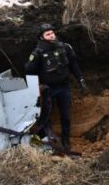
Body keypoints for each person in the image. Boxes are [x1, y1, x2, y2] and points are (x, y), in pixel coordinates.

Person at [25, 23, 87, 152]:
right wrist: (35, 90)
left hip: (64, 88)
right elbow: (29, 72)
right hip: (48, 89)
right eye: (48, 34)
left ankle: (65, 140)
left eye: (52, 32)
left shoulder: (65, 48)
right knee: (44, 116)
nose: (52, 35)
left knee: (66, 116)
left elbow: (74, 65)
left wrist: (81, 80)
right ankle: (45, 140)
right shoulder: (38, 53)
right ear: (42, 38)